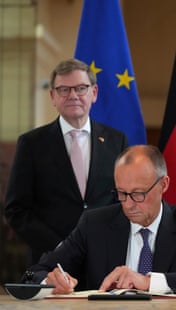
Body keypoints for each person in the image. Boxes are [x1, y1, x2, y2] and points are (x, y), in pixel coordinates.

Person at [24, 145, 176, 297]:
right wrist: (49, 281)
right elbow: (34, 273)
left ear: (163, 185)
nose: (128, 204)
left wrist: (148, 282)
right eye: (121, 193)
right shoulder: (94, 224)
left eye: (138, 194)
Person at [5, 58, 128, 264]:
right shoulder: (31, 144)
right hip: (51, 261)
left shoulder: (117, 141)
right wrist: (60, 246)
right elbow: (16, 210)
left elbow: (125, 200)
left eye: (81, 88)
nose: (73, 96)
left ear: (94, 93)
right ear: (53, 96)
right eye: (64, 89)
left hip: (105, 259)